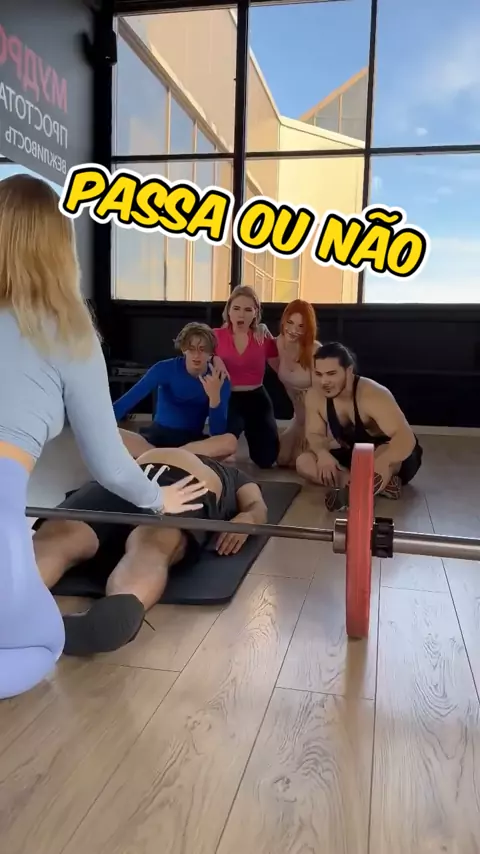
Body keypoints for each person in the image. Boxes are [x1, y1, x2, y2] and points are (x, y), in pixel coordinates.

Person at [0, 174, 207, 700]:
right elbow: (109, 464)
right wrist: (157, 498)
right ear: (60, 248)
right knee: (44, 641)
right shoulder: (69, 331)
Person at [32, 446, 268, 656]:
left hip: (183, 485)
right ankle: (16, 599)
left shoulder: (234, 475)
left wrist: (247, 518)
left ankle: (109, 620)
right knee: (63, 534)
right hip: (122, 480)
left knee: (153, 541)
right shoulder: (156, 449)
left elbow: (256, 505)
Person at [296, 342, 423, 510]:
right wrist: (322, 454)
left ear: (348, 371)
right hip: (356, 455)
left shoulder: (373, 394)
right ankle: (371, 485)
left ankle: (354, 494)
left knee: (381, 452)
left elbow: (406, 438)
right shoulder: (315, 395)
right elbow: (314, 433)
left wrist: (382, 462)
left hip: (395, 456)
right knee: (304, 462)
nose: (324, 381)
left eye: (331, 374)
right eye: (318, 374)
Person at [113, 322, 237, 461]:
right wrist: (101, 424)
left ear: (211, 353)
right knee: (111, 432)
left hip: (191, 444)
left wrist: (214, 398)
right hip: (156, 439)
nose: (196, 355)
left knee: (230, 441)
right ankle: (170, 458)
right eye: (191, 349)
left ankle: (163, 457)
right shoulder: (164, 368)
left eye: (202, 349)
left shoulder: (219, 379)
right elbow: (129, 399)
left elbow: (217, 433)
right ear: (183, 349)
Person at [214, 285, 279, 468]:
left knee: (266, 460)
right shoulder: (216, 336)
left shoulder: (262, 337)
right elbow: (197, 354)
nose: (241, 315)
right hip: (229, 397)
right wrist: (215, 359)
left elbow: (281, 367)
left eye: (248, 310)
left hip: (256, 396)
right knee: (223, 454)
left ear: (256, 313)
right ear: (228, 311)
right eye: (236, 308)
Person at [274, 299, 320, 468]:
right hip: (298, 417)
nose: (293, 330)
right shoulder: (278, 344)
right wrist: (262, 327)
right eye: (290, 322)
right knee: (281, 459)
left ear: (308, 329)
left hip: (316, 419)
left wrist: (310, 432)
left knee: (299, 462)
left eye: (301, 326)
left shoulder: (315, 351)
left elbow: (324, 397)